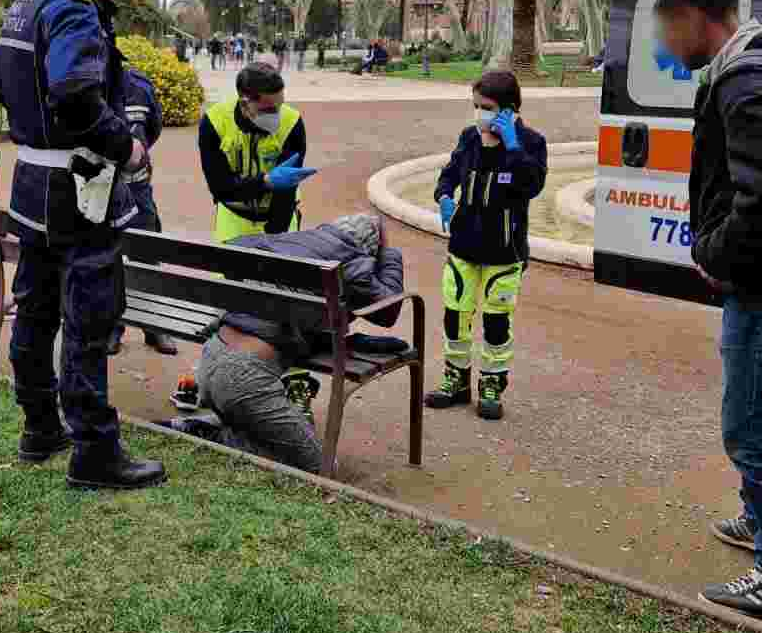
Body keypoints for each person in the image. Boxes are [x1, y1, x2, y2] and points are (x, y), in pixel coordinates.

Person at [0, 0, 166, 491]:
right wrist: (130, 150)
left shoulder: (25, 2)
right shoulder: (73, 5)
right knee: (88, 318)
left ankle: (40, 426)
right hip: (78, 191)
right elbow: (75, 93)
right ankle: (94, 451)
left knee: (35, 311)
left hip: (33, 185)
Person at [655, 0, 762, 616]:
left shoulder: (746, 79)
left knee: (755, 427)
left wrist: (715, 252)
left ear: (697, 18)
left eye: (666, 24)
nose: (663, 41)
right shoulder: (750, 70)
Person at [157, 213, 406, 473]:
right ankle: (216, 437)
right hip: (245, 381)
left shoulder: (291, 242)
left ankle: (202, 425)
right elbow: (389, 310)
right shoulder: (353, 260)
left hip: (211, 358)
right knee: (323, 467)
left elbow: (235, 250)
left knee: (269, 425)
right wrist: (389, 252)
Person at [425, 70, 547, 421]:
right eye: (476, 106)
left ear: (509, 110)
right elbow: (449, 173)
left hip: (503, 252)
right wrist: (445, 195)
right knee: (455, 315)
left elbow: (531, 185)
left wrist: (511, 146)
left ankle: (492, 383)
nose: (480, 114)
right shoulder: (469, 138)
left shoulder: (531, 143)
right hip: (463, 246)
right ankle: (456, 379)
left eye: (488, 107)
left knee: (496, 322)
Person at [200, 62, 315, 243]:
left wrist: (273, 241)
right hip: (233, 217)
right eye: (269, 109)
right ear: (245, 104)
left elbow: (285, 193)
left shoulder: (292, 122)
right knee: (227, 271)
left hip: (280, 217)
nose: (277, 114)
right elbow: (220, 188)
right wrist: (266, 182)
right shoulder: (214, 123)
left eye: (280, 105)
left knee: (280, 270)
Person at [107, 68, 178, 357]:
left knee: (147, 256)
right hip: (102, 191)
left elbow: (153, 128)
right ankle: (112, 327)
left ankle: (154, 327)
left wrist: (137, 157)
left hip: (137, 190)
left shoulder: (139, 86)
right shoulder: (86, 83)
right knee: (108, 260)